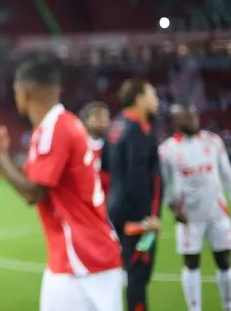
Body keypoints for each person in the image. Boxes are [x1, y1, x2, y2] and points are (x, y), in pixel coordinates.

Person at [0, 58, 122, 311]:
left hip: (80, 260)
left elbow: (34, 193)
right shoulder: (62, 123)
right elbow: (31, 182)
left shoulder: (55, 128)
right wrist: (2, 151)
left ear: (24, 92)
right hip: (91, 256)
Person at [159, 103, 231, 311]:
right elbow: (163, 184)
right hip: (189, 217)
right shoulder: (167, 150)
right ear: (176, 121)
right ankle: (194, 308)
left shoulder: (213, 141)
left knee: (224, 261)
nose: (192, 120)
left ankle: (228, 305)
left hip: (217, 213)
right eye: (186, 117)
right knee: (191, 263)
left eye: (193, 115)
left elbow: (227, 175)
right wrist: (172, 208)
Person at [108, 78, 163, 311]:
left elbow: (105, 169)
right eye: (153, 95)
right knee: (139, 276)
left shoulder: (116, 127)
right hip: (138, 221)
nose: (157, 101)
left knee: (130, 273)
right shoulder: (138, 132)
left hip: (117, 211)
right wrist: (147, 219)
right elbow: (138, 179)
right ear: (139, 99)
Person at [79, 101, 112, 196]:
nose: (103, 120)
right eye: (98, 116)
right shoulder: (79, 148)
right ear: (86, 120)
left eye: (105, 116)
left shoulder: (114, 147)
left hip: (108, 203)